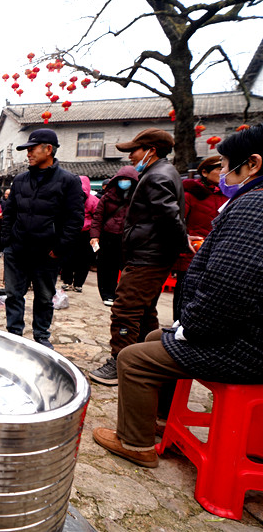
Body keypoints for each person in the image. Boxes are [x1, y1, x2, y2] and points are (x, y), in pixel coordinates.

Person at [92, 123, 263, 468]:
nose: (222, 173)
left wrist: (189, 327)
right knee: (153, 329)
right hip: (237, 326)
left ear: (253, 164)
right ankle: (159, 417)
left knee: (131, 344)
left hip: (246, 344)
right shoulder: (243, 199)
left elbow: (229, 288)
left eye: (226, 164)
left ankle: (135, 442)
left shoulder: (252, 206)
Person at [90, 128, 189, 386]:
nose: (131, 156)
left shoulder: (157, 176)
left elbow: (170, 217)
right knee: (144, 310)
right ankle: (145, 358)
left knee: (125, 309)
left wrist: (182, 244)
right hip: (152, 253)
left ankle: (120, 360)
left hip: (148, 256)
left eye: (134, 150)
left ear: (151, 150)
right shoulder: (162, 172)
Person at [0, 129, 83, 349]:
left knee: (45, 297)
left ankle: (41, 336)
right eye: (27, 150)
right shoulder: (20, 180)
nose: (28, 154)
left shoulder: (69, 181)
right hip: (17, 249)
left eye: (32, 149)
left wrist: (59, 249)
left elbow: (74, 220)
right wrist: (7, 242)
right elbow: (9, 213)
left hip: (47, 253)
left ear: (48, 149)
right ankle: (14, 334)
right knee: (13, 295)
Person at [170, 155, 227, 320]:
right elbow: (178, 221)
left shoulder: (229, 196)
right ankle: (178, 322)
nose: (223, 172)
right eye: (219, 168)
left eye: (225, 168)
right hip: (192, 251)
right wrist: (185, 238)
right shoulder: (191, 194)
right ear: (204, 172)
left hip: (217, 253)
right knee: (185, 290)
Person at [90, 166, 139, 306]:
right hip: (108, 236)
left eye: (127, 179)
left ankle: (124, 294)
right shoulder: (107, 197)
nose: (124, 182)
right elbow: (97, 218)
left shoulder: (138, 198)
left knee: (127, 268)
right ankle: (107, 294)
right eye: (121, 179)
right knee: (106, 267)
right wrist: (94, 236)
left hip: (128, 238)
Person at [60, 176, 99, 293]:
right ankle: (67, 281)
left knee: (83, 260)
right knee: (67, 258)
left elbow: (97, 218)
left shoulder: (93, 201)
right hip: (71, 231)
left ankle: (78, 283)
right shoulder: (68, 198)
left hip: (85, 233)